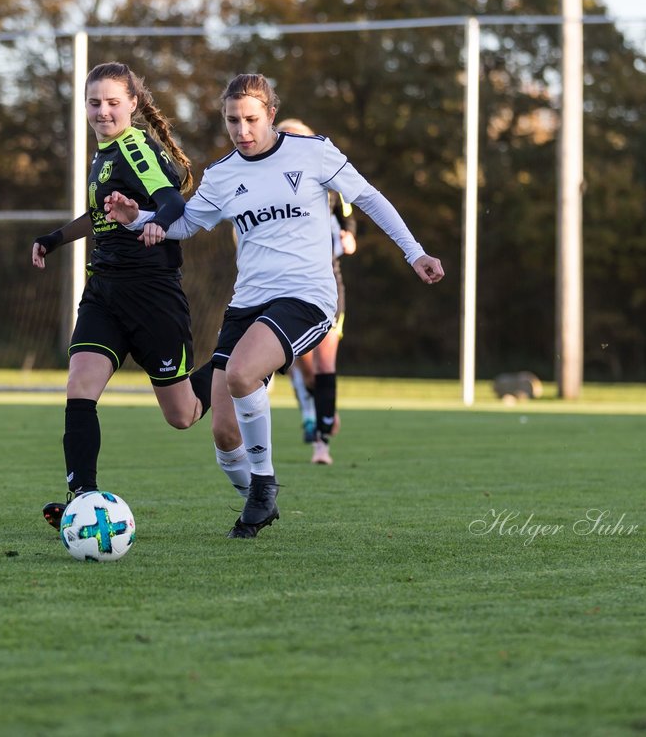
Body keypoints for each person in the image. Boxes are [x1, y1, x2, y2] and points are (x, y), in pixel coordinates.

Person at [105, 73, 444, 538]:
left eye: (250, 119)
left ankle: (264, 487)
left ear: (270, 115)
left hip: (307, 296)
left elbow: (369, 198)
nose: (241, 131)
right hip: (247, 304)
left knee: (243, 373)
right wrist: (135, 218)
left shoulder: (311, 152)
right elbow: (183, 225)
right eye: (231, 121)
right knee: (224, 433)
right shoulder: (222, 175)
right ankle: (259, 500)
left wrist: (415, 251)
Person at [31, 61, 215, 529]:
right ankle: (82, 497)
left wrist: (155, 220)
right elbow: (99, 217)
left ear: (133, 104)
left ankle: (231, 365)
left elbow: (173, 201)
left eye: (113, 102)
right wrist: (53, 239)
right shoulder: (103, 155)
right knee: (79, 387)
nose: (102, 111)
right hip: (104, 293)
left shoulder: (134, 147)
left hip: (152, 295)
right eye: (94, 103)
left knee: (183, 415)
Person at [274, 118, 356, 466]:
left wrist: (349, 234)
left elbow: (349, 211)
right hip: (285, 283)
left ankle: (321, 444)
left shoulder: (328, 180)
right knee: (302, 366)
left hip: (326, 281)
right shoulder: (269, 182)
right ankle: (316, 406)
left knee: (325, 363)